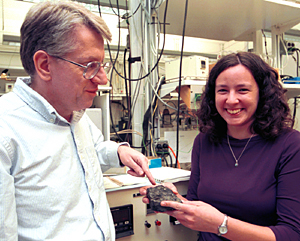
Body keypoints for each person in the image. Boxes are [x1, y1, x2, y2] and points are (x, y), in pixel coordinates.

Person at [0, 1, 155, 241]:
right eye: (90, 66)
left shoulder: (74, 113)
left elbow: (91, 150)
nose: (102, 79)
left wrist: (119, 151)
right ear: (44, 65)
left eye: (101, 65)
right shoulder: (6, 130)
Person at [140, 51, 300, 240]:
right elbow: (196, 205)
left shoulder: (290, 145)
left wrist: (221, 225)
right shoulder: (205, 141)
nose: (231, 100)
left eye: (243, 90)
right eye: (223, 90)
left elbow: (291, 234)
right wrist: (174, 201)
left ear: (262, 94)